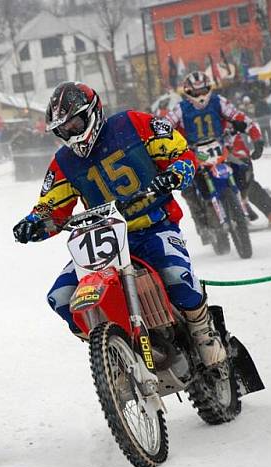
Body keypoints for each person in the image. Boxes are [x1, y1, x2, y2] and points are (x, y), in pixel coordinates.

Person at [13, 82, 225, 370]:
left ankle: (203, 332)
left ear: (92, 113)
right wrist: (34, 222)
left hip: (153, 226)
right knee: (61, 297)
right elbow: (51, 206)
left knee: (176, 275)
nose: (70, 133)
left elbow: (181, 153)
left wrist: (175, 173)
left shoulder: (133, 123)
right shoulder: (63, 161)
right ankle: (113, 350)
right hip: (104, 240)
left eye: (74, 123)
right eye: (62, 130)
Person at [167, 72, 271, 230]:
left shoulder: (218, 101)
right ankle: (203, 224)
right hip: (193, 151)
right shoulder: (180, 109)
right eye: (196, 92)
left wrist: (257, 139)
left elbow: (239, 117)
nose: (201, 96)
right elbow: (163, 126)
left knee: (244, 172)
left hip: (221, 146)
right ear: (188, 92)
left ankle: (266, 211)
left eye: (203, 91)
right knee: (188, 185)